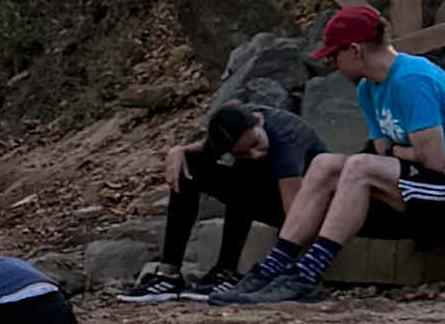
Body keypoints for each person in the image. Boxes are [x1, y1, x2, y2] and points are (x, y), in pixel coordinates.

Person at [246, 2, 445, 294]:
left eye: (334, 55)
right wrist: (411, 154)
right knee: (324, 164)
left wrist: (409, 154)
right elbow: (390, 153)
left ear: (354, 50)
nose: (333, 64)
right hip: (428, 182)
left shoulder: (411, 79)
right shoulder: (368, 88)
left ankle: (305, 276)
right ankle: (271, 268)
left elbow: (430, 161)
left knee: (360, 166)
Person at [129, 97, 318, 298]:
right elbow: (206, 149)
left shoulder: (286, 138)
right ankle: (168, 275)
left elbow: (295, 216)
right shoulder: (237, 122)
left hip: (307, 208)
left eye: (256, 143)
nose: (255, 153)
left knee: (246, 172)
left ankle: (226, 271)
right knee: (189, 167)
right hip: (266, 194)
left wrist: (279, 268)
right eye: (243, 153)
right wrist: (178, 151)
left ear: (258, 121)